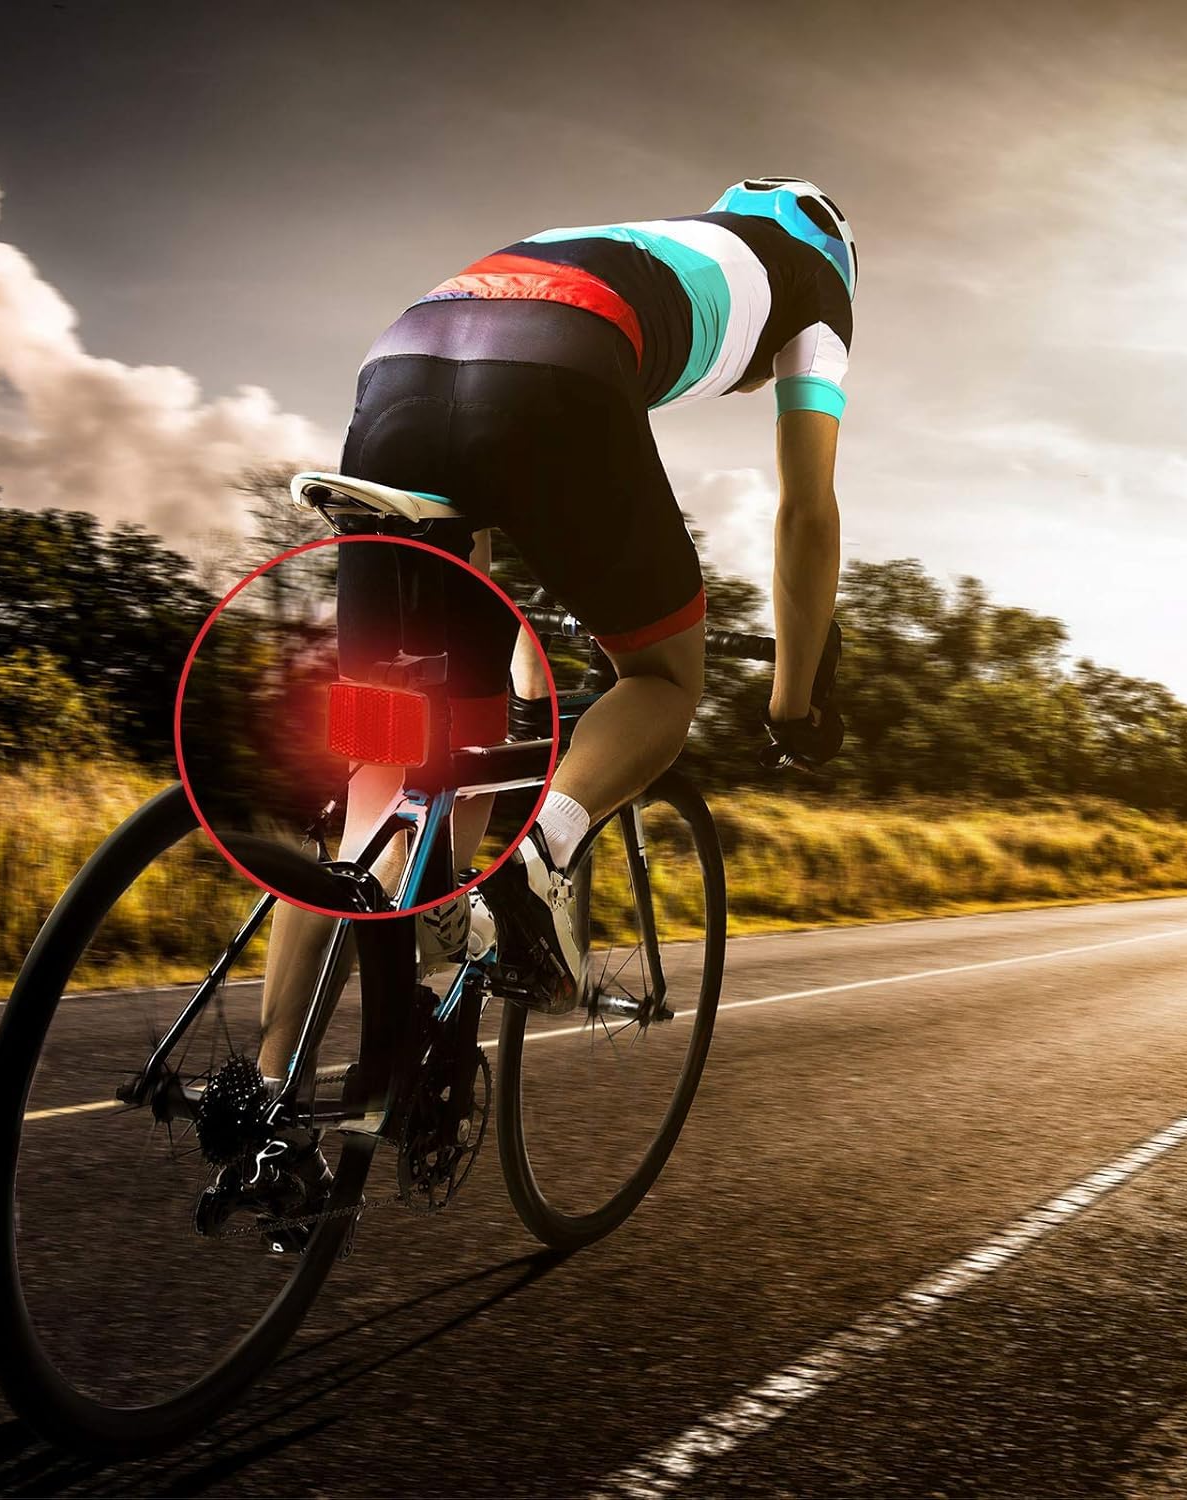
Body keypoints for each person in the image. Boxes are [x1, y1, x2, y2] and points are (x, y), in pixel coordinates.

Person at [236, 177, 854, 1236]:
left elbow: (488, 521)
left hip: (399, 367)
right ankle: (544, 848)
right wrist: (795, 702)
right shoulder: (818, 286)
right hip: (559, 372)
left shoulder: (644, 239)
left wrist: (522, 673)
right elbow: (805, 511)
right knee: (661, 681)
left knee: (387, 767)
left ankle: (265, 1101)